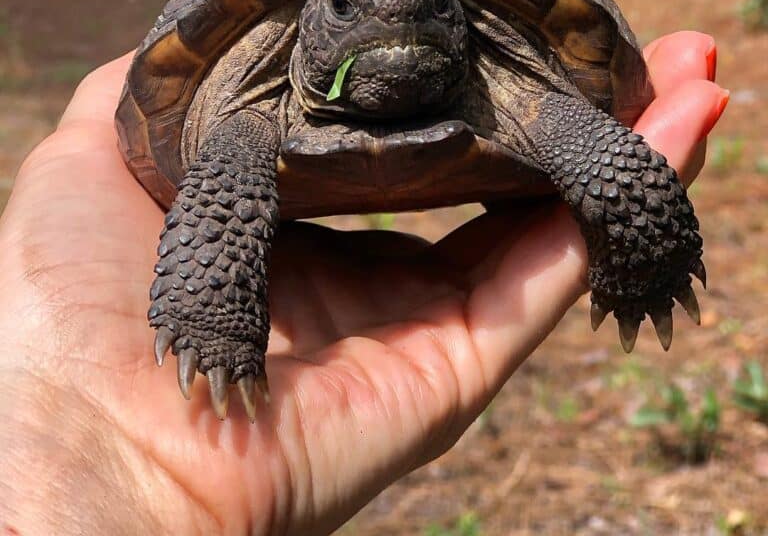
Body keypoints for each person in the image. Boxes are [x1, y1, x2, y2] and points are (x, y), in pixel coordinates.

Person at [0, 31, 727, 536]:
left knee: (612, 165)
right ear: (314, 28)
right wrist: (97, 423)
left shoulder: (525, 91)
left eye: (433, 6)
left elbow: (604, 144)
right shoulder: (245, 116)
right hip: (260, 136)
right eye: (347, 11)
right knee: (232, 165)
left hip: (500, 88)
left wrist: (643, 252)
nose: (398, 16)